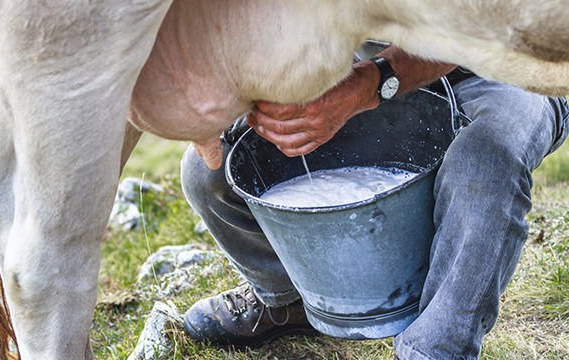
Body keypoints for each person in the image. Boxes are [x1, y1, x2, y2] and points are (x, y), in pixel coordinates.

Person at [179, 45, 569, 359]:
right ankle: (290, 297)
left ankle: (435, 348)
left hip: (511, 67)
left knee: (484, 164)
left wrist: (366, 86)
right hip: (360, 58)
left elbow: (483, 25)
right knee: (210, 171)